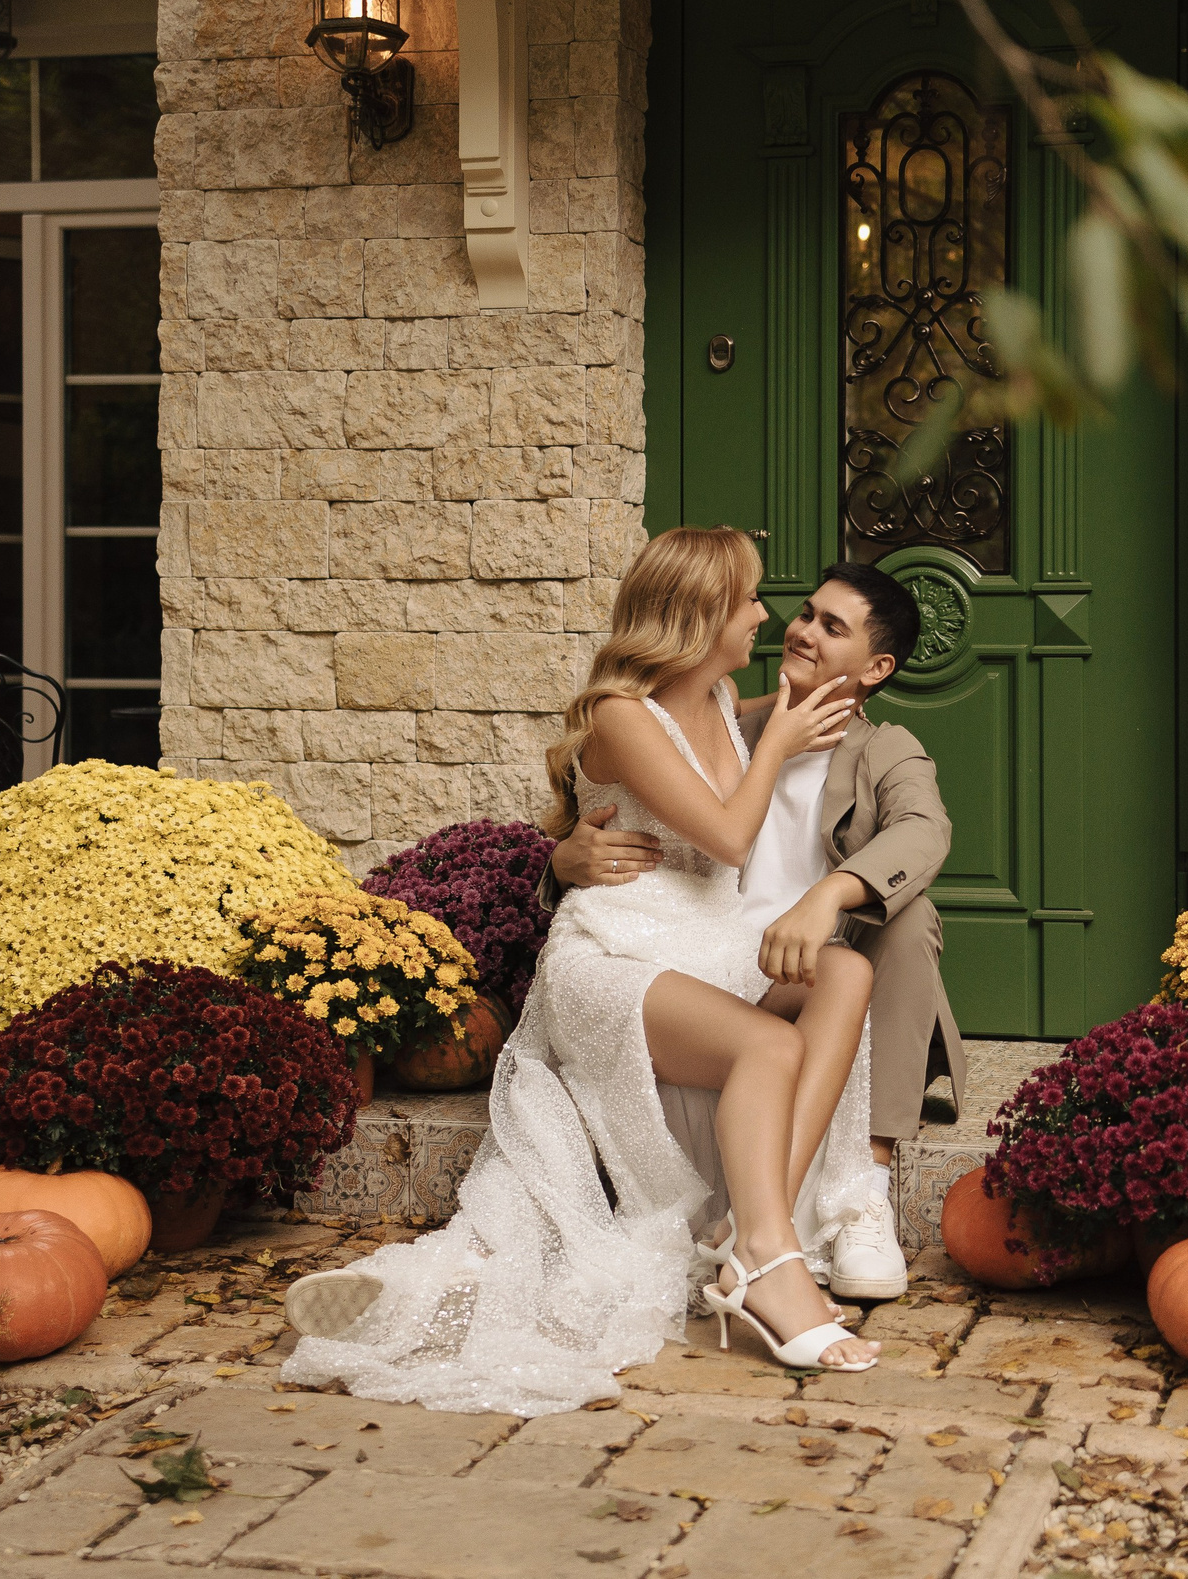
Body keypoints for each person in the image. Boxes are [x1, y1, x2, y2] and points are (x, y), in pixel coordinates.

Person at [279, 526, 884, 1415]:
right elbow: (726, 834)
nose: (767, 615)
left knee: (846, 977)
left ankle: (749, 1235)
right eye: (751, 599)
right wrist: (573, 852)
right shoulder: (620, 717)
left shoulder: (721, 696)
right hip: (615, 961)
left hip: (703, 949)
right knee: (766, 1048)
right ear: (703, 612)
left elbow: (788, 727)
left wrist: (828, 695)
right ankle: (768, 1259)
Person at [549, 561, 961, 1301]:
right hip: (698, 955)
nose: (798, 628)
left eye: (831, 627)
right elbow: (616, 795)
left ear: (876, 667)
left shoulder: (885, 748)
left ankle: (860, 1183)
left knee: (909, 915)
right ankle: (762, 1236)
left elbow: (925, 832)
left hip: (800, 964)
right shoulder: (725, 718)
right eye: (804, 612)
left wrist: (830, 892)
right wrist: (566, 855)